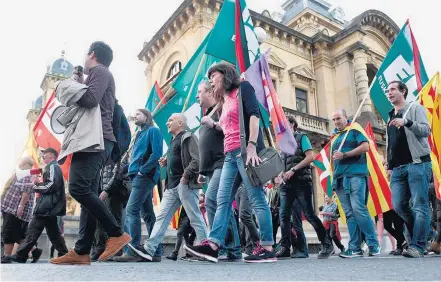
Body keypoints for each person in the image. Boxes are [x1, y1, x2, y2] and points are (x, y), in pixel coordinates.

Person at [184, 62, 276, 263]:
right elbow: (228, 128)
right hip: (230, 156)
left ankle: (267, 246)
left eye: (213, 77)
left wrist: (252, 145)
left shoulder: (244, 88)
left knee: (256, 198)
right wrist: (214, 124)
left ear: (224, 75)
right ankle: (214, 244)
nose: (210, 81)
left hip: (245, 153)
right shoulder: (224, 100)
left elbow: (254, 115)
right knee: (221, 199)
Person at [50, 41, 130, 265]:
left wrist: (71, 87)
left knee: (77, 187)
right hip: (97, 140)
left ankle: (116, 233)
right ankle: (82, 250)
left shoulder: (100, 71)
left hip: (96, 140)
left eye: (86, 54)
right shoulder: (95, 75)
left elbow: (90, 99)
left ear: (92, 54)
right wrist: (78, 83)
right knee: (89, 193)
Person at [128, 113, 207, 261]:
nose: (167, 123)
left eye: (170, 120)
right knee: (162, 218)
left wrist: (185, 176)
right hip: (172, 186)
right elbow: (178, 159)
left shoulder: (188, 137)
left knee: (194, 216)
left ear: (180, 123)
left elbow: (197, 160)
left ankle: (206, 247)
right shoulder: (173, 140)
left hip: (185, 184)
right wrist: (167, 162)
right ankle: (149, 249)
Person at [196, 80, 242, 261]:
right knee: (219, 204)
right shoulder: (209, 112)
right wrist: (202, 169)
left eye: (199, 92)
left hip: (223, 161)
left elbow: (232, 129)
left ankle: (223, 245)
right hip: (210, 167)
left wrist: (212, 124)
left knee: (213, 200)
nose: (197, 96)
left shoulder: (222, 107)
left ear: (209, 92)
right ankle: (229, 247)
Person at [276, 116, 333, 259]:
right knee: (283, 216)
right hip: (286, 185)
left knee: (309, 214)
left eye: (285, 124)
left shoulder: (302, 137)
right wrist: (280, 174)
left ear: (293, 125)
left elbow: (310, 157)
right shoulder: (283, 144)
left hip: (301, 182)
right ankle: (285, 247)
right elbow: (283, 164)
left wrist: (293, 170)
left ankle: (326, 243)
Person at [385, 80, 432, 258]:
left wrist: (406, 122)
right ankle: (427, 234)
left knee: (420, 206)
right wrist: (389, 164)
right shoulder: (390, 115)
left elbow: (425, 130)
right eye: (388, 91)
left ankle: (418, 246)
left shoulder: (415, 108)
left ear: (403, 91)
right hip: (397, 169)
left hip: (418, 164)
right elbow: (391, 144)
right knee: (398, 206)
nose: (389, 93)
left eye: (393, 90)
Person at [113, 109, 163, 262]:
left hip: (144, 176)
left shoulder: (153, 131)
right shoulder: (138, 135)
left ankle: (133, 249)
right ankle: (156, 252)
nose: (135, 116)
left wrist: (143, 170)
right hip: (136, 176)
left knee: (131, 210)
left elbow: (157, 153)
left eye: (138, 114)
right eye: (134, 114)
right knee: (148, 214)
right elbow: (134, 158)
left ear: (147, 117)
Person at [331, 109, 380, 258]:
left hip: (355, 175)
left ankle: (373, 245)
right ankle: (354, 247)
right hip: (340, 178)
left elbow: (365, 147)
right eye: (333, 120)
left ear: (345, 118)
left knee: (358, 209)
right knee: (349, 213)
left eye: (338, 118)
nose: (336, 122)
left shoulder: (354, 128)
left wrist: (345, 154)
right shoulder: (335, 136)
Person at [9, 148, 69, 263]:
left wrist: (35, 186)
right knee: (54, 234)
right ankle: (64, 254)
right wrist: (38, 182)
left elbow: (51, 185)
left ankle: (21, 256)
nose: (42, 157)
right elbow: (50, 185)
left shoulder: (53, 167)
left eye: (44, 155)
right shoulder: (52, 167)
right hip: (50, 207)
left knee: (33, 230)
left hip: (46, 206)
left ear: (51, 156)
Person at [1, 157, 37, 263]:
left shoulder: (27, 174)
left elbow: (25, 193)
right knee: (19, 234)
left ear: (25, 164)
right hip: (10, 207)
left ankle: (6, 256)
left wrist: (20, 207)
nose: (19, 162)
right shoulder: (21, 173)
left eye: (21, 160)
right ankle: (34, 251)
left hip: (14, 209)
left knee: (8, 232)